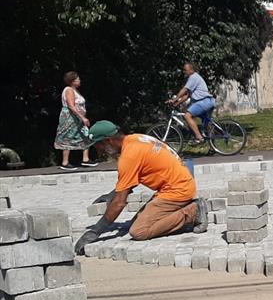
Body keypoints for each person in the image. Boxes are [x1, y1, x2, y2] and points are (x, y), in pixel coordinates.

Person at [73, 121, 208, 255]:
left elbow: (119, 203)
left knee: (139, 231)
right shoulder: (135, 139)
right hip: (180, 182)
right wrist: (112, 194)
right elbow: (132, 178)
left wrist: (95, 232)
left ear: (108, 141)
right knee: (137, 223)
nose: (99, 151)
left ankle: (192, 212)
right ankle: (182, 209)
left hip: (177, 190)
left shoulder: (128, 157)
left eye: (98, 146)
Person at [54, 71, 98, 170]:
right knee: (68, 136)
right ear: (72, 81)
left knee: (85, 135)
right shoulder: (69, 90)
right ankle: (65, 162)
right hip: (70, 118)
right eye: (77, 79)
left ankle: (85, 159)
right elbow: (71, 106)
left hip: (78, 118)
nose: (79, 80)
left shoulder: (75, 90)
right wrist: (82, 117)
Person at [170, 62, 215, 145]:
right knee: (206, 124)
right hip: (207, 102)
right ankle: (212, 146)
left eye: (185, 70)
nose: (184, 72)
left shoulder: (193, 77)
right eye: (184, 70)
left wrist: (175, 98)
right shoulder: (194, 78)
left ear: (191, 70)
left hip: (204, 101)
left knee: (187, 116)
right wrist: (177, 103)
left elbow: (185, 90)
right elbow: (187, 96)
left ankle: (199, 138)